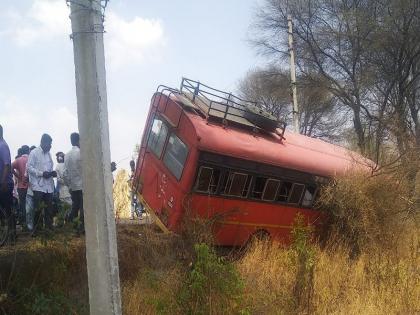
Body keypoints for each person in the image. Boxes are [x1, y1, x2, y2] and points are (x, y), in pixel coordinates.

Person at [27, 134, 56, 235]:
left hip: (49, 186)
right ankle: (36, 230)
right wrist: (41, 173)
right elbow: (29, 168)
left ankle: (48, 229)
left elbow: (49, 168)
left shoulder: (49, 154)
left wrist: (52, 173)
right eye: (49, 143)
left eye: (51, 144)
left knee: (49, 209)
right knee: (38, 209)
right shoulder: (34, 153)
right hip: (38, 186)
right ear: (43, 142)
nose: (50, 146)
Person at [64, 132, 84, 233]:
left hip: (73, 187)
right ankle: (82, 228)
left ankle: (75, 227)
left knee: (75, 207)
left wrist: (69, 185)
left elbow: (64, 174)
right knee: (83, 207)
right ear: (78, 141)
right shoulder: (81, 153)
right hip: (82, 186)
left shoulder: (66, 156)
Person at [0, 124, 16, 243]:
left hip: (5, 184)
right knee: (4, 210)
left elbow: (6, 165)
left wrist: (3, 181)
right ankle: (6, 236)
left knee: (7, 210)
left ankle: (11, 236)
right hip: (3, 182)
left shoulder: (2, 146)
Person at [12, 145, 30, 227]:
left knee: (22, 205)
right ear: (28, 151)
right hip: (31, 186)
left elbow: (10, 167)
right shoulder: (31, 159)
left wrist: (18, 176)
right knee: (30, 205)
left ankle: (24, 224)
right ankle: (30, 224)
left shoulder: (18, 160)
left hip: (21, 186)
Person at [25, 145, 37, 231]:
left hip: (38, 191)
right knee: (29, 210)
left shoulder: (39, 165)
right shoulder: (27, 165)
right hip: (30, 191)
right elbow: (26, 176)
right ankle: (30, 229)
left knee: (37, 211)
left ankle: (36, 228)